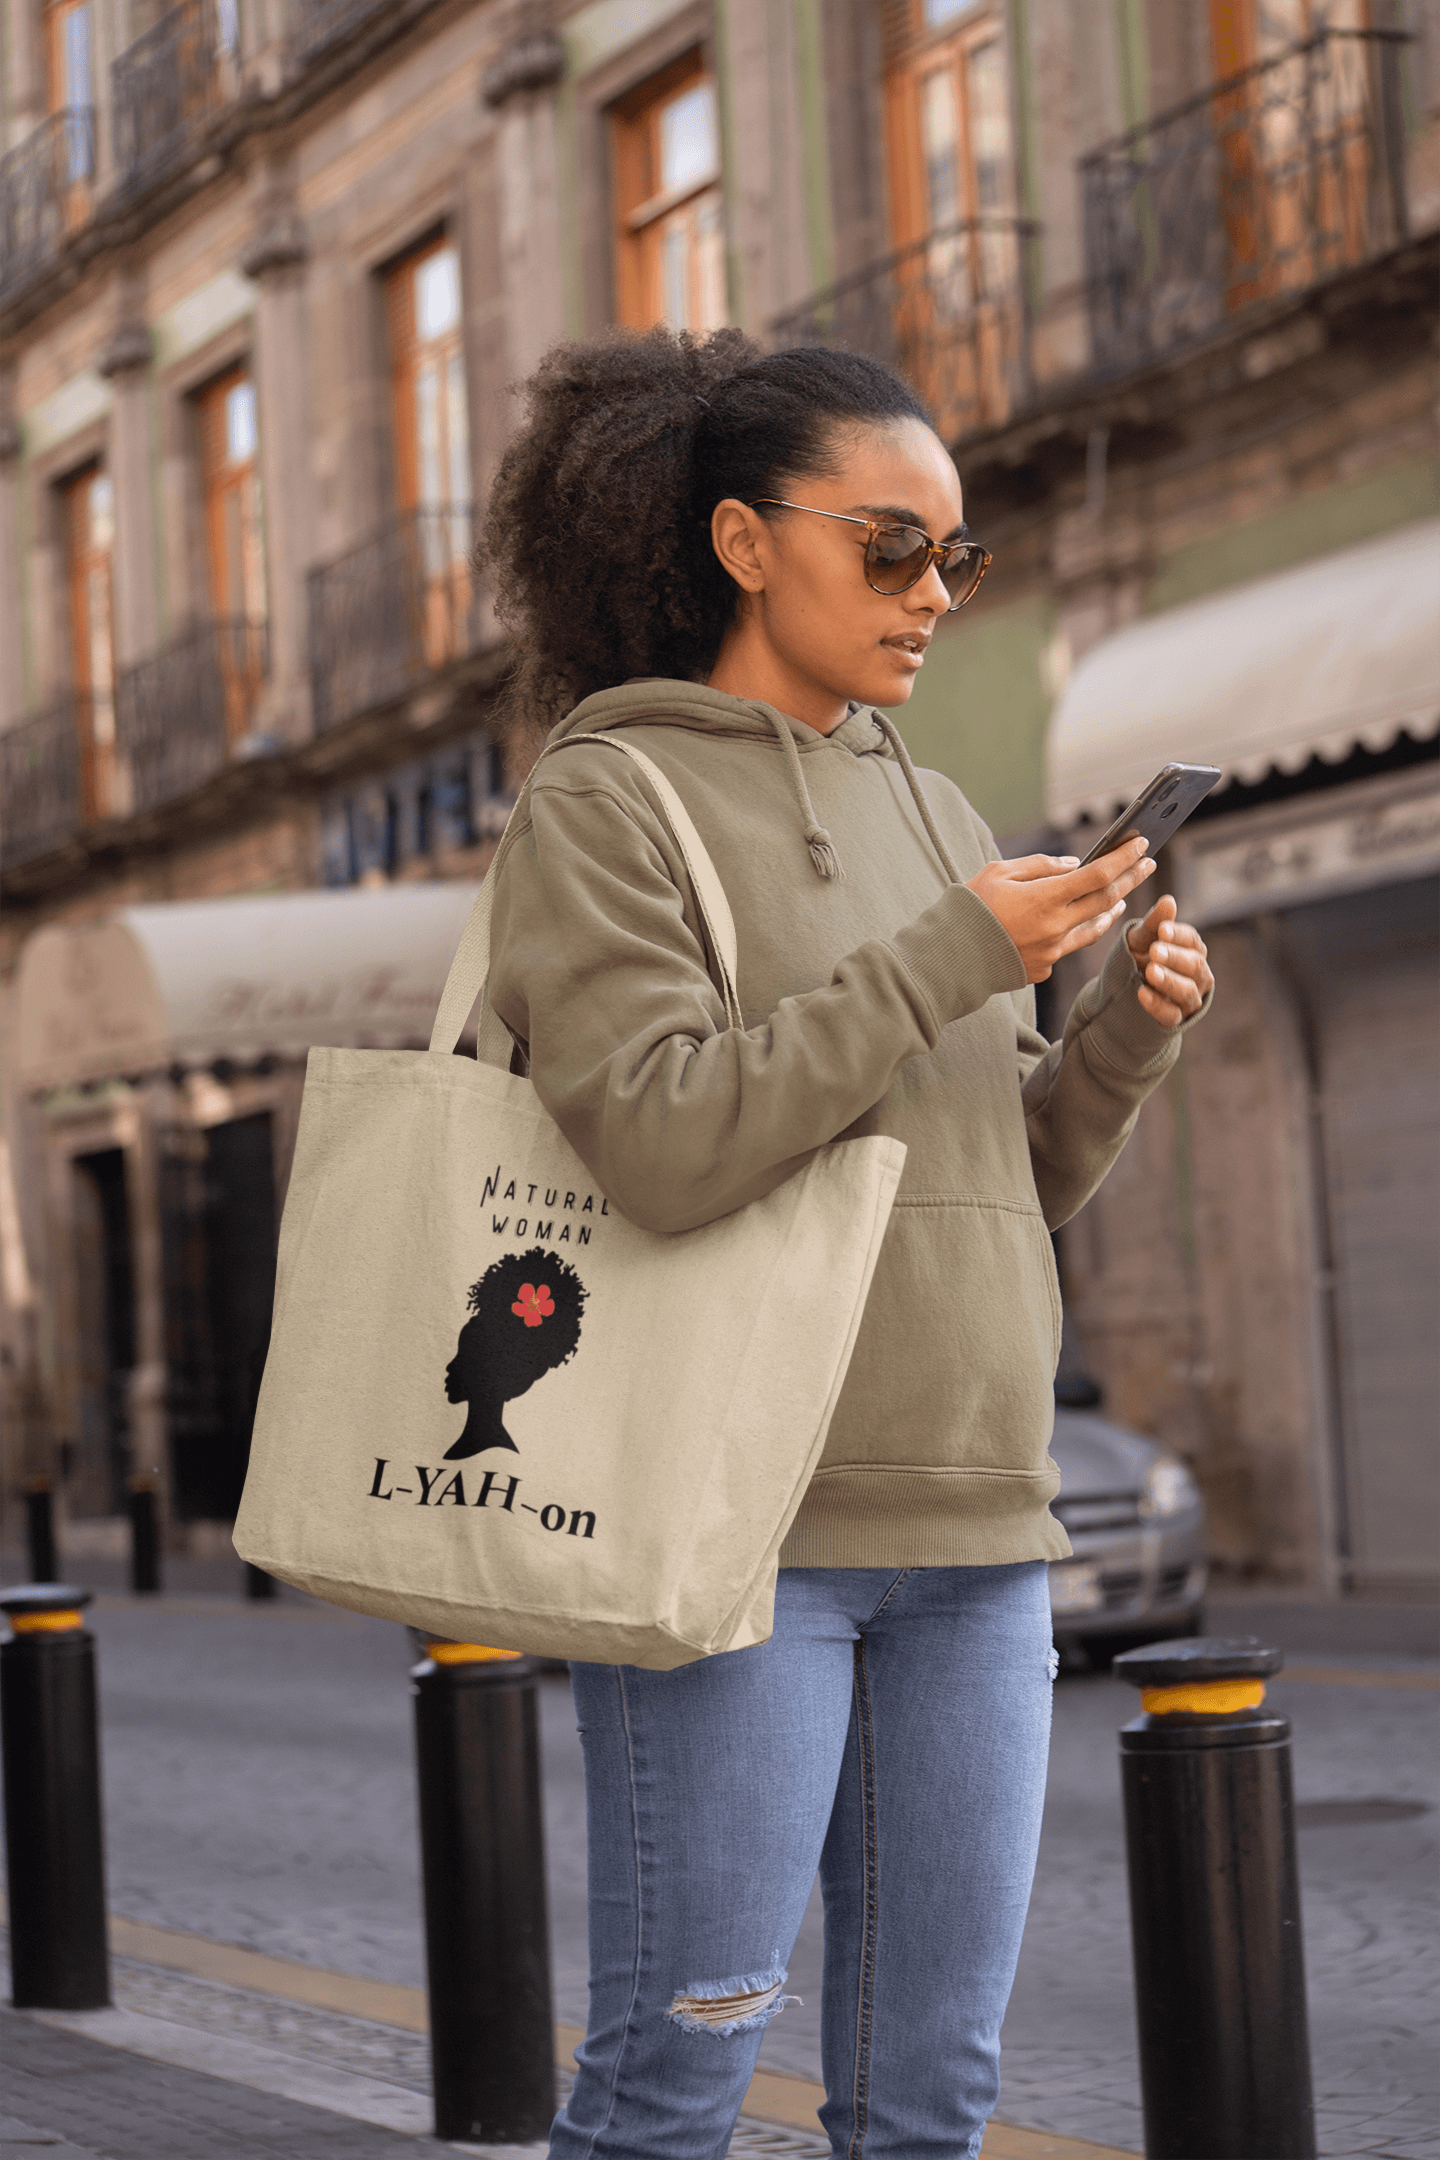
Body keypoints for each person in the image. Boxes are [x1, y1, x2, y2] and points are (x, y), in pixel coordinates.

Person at [479, 326, 1213, 2160]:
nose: (934, 595)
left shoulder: (937, 810)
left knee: (930, 2101)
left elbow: (999, 1181)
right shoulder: (607, 800)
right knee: (674, 2090)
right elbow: (659, 1136)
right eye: (891, 549)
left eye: (955, 558)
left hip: (980, 1527)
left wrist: (1116, 1038)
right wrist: (955, 953)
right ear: (744, 542)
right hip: (741, 1546)